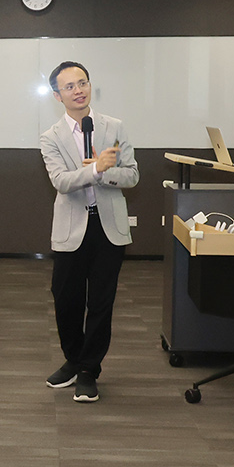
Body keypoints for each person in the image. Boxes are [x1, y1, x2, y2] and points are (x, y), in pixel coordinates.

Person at [39, 60, 138, 404]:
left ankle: (88, 370)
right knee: (65, 299)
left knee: (100, 303)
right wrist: (96, 168)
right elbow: (61, 181)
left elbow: (132, 175)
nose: (78, 90)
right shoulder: (51, 137)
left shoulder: (114, 127)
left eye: (82, 83)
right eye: (69, 86)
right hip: (71, 228)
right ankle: (74, 358)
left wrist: (106, 172)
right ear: (57, 96)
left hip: (108, 227)